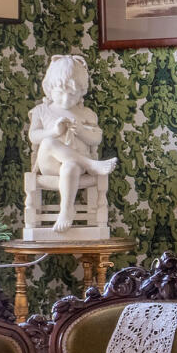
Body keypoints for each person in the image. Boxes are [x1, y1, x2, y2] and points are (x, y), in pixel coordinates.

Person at [28, 54, 116, 232]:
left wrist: (82, 132)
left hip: (75, 168)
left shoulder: (86, 114)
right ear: (49, 88)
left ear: (81, 91)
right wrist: (54, 131)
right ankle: (91, 165)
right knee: (48, 142)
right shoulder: (41, 111)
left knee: (70, 166)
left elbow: (96, 138)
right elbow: (34, 136)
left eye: (72, 94)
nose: (66, 100)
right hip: (49, 165)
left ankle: (66, 209)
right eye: (60, 93)